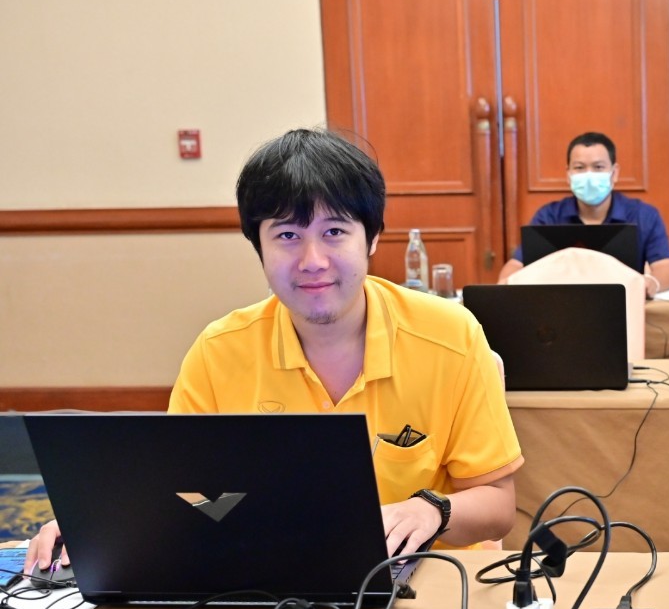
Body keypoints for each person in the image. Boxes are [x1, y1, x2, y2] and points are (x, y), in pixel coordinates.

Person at [26, 129, 523, 574]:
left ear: (372, 238)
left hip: (426, 582)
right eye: (287, 235)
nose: (313, 260)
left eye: (334, 232)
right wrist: (97, 523)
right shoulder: (219, 351)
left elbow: (499, 506)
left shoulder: (450, 336)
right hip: (268, 580)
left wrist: (431, 508)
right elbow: (184, 493)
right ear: (259, 248)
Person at [497, 132, 669, 295]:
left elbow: (667, 267)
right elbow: (516, 265)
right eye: (579, 168)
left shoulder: (644, 215)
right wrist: (506, 284)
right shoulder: (548, 217)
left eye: (598, 167)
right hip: (560, 307)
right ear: (568, 174)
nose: (589, 175)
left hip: (623, 307)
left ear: (614, 173)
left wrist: (652, 283)